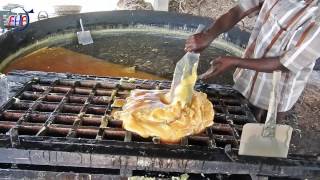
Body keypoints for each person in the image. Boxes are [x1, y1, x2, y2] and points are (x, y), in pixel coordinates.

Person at [185, 0, 320, 122]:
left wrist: (235, 62)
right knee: (244, 113)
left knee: (268, 128)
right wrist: (209, 35)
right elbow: (239, 10)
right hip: (250, 75)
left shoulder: (316, 17)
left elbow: (285, 63)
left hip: (278, 88)